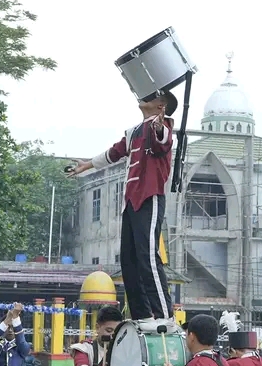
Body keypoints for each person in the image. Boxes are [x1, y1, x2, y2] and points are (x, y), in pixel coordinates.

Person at [68, 93, 179, 333]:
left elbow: (163, 140)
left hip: (149, 197)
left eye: (153, 96)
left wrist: (160, 125)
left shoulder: (164, 126)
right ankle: (142, 315)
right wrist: (86, 165)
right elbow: (114, 153)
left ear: (161, 106)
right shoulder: (133, 132)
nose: (144, 97)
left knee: (148, 256)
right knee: (129, 261)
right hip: (130, 201)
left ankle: (164, 315)